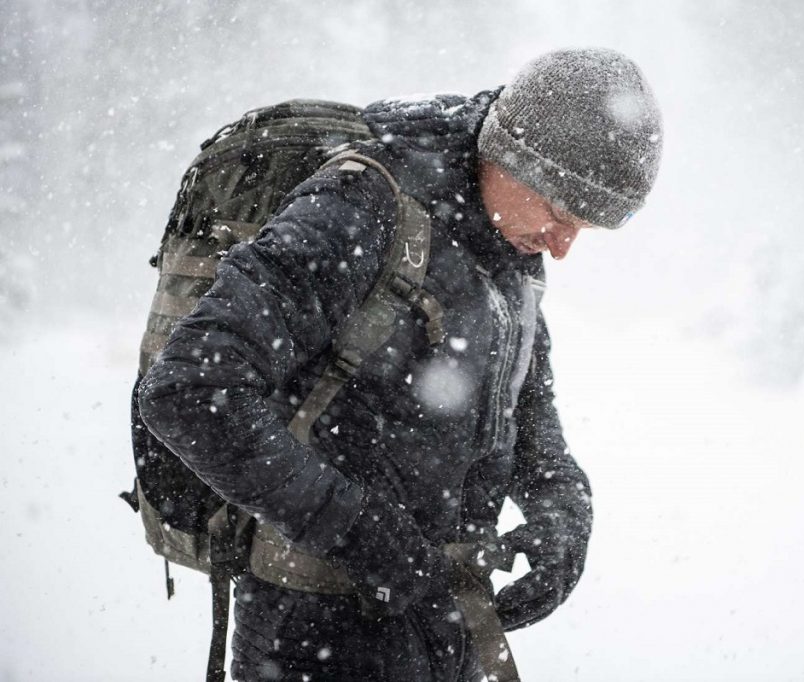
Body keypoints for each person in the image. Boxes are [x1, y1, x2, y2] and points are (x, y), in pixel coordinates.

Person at [137, 47, 663, 681]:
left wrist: (562, 512)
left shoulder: (508, 244)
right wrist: (356, 530)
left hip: (446, 623)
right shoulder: (364, 206)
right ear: (511, 158)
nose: (563, 246)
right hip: (309, 636)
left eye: (585, 227)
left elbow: (524, 403)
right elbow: (189, 387)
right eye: (559, 214)